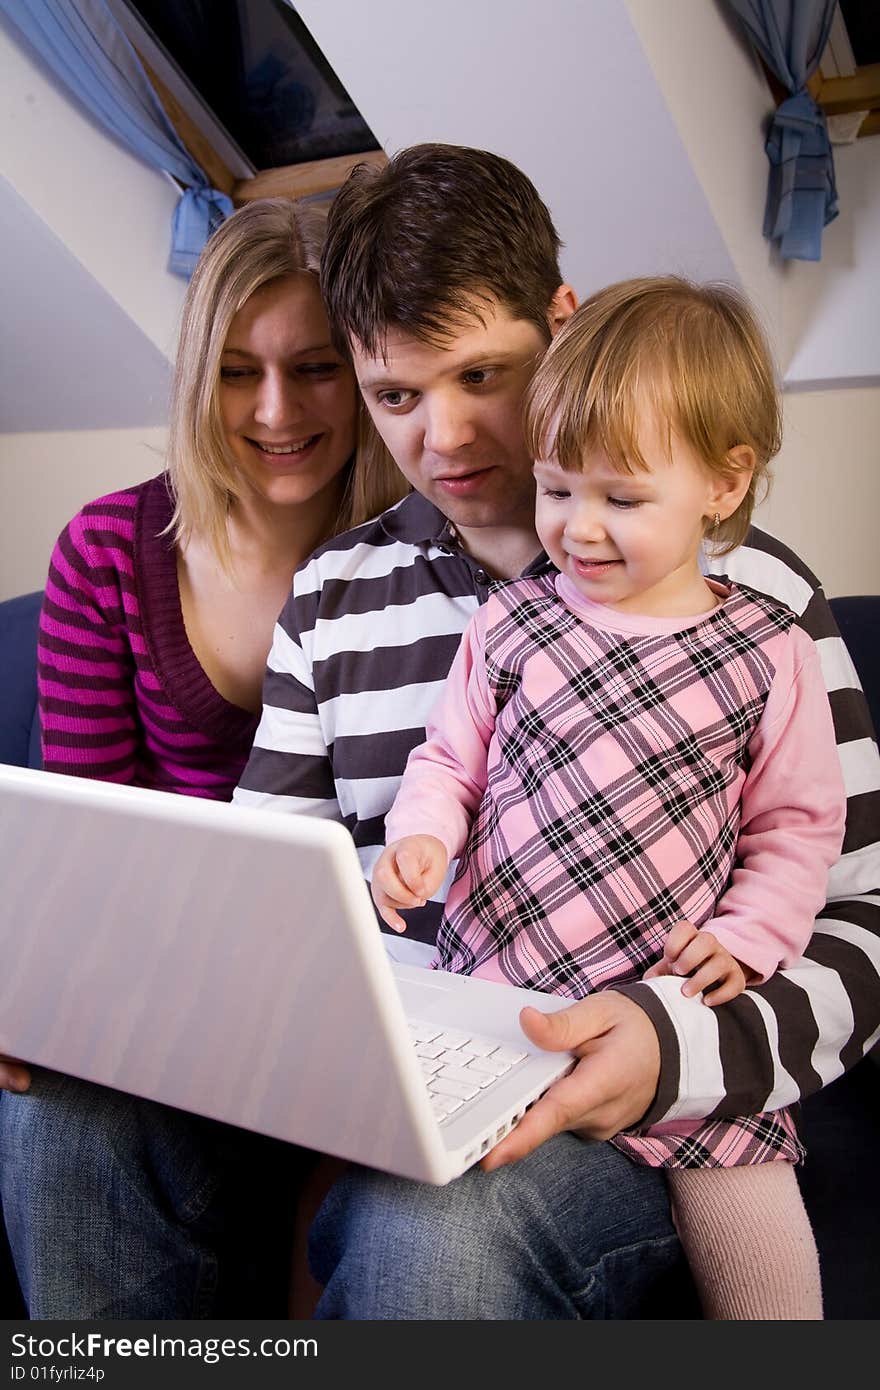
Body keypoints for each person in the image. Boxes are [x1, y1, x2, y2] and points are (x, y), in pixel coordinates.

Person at [234, 144, 880, 1319]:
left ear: (563, 324)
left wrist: (668, 1048)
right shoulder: (332, 597)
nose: (445, 436)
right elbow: (266, 903)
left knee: (426, 1229)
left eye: (484, 375)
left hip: (643, 1093)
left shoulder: (751, 600)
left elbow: (856, 915)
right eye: (395, 395)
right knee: (46, 1109)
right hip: (415, 1066)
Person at [370, 276, 846, 1320]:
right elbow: (447, 762)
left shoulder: (767, 651)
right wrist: (418, 837)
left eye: (620, 499)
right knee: (412, 1218)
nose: (578, 529)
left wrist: (755, 934)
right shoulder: (510, 625)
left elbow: (798, 827)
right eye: (555, 488)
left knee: (762, 1245)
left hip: (669, 1014)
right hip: (504, 1002)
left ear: (724, 483)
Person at [0, 197, 406, 1317]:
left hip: (377, 1023)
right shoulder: (108, 556)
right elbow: (88, 854)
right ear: (194, 379)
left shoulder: (428, 562)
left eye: (318, 366)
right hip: (175, 1022)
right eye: (237, 371)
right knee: (54, 1110)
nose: (277, 410)